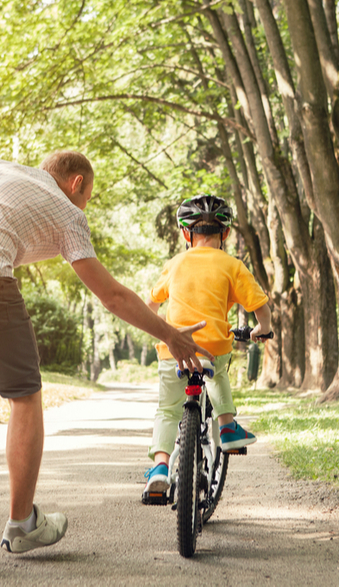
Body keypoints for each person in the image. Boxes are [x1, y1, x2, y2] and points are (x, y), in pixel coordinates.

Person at [0, 152, 213, 569]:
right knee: (25, 397)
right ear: (76, 183)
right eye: (88, 197)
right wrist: (170, 336)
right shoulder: (68, 211)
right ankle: (21, 522)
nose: (84, 206)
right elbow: (112, 296)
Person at [143, 194, 272, 495]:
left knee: (167, 410)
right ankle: (227, 426)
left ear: (186, 234)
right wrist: (262, 328)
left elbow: (151, 304)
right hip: (212, 346)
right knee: (219, 372)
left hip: (173, 349)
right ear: (225, 233)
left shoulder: (175, 263)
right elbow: (259, 305)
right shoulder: (232, 264)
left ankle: (160, 467)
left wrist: (159, 333)